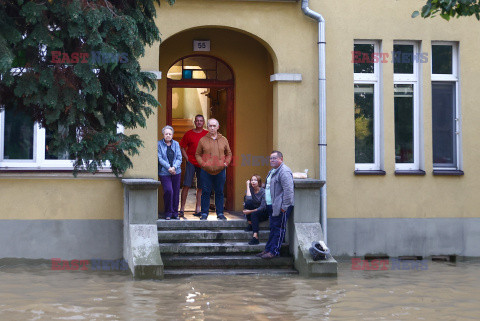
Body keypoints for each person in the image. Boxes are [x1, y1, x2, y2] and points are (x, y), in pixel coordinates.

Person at [256, 151, 294, 259]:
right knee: (273, 228)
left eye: (274, 158)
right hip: (272, 205)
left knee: (279, 229)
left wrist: (284, 207)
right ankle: (268, 249)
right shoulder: (273, 171)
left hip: (280, 207)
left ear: (281, 159)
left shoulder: (284, 171)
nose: (272, 160)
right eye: (270, 158)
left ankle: (274, 251)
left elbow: (289, 190)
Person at [195, 118, 232, 220]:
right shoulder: (203, 140)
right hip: (206, 171)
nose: (212, 128)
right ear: (207, 127)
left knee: (219, 192)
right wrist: (202, 164)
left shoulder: (224, 139)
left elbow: (229, 153)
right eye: (210, 126)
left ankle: (220, 213)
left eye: (214, 126)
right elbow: (197, 154)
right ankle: (204, 214)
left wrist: (226, 163)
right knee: (206, 192)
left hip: (220, 171)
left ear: (218, 127)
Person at [179, 115, 208, 217]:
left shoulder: (207, 134)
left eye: (201, 121)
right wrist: (187, 158)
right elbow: (182, 147)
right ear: (194, 122)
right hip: (191, 162)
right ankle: (182, 209)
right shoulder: (189, 134)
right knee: (186, 185)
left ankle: (198, 208)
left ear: (203, 122)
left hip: (202, 163)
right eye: (197, 121)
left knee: (200, 187)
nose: (199, 122)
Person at [158, 125, 182, 220]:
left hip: (176, 172)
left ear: (172, 135)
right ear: (163, 134)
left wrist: (174, 167)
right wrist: (169, 167)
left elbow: (179, 158)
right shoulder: (159, 144)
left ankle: (175, 213)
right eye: (166, 134)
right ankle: (168, 212)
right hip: (164, 172)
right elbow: (159, 158)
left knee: (176, 192)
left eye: (170, 134)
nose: (168, 135)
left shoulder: (176, 144)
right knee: (169, 191)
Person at [243, 175, 269, 245]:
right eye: (252, 180)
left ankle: (255, 237)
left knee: (254, 213)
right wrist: (248, 186)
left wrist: (250, 211)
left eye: (255, 180)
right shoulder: (250, 190)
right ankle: (251, 224)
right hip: (254, 211)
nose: (253, 182)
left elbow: (262, 207)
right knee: (248, 203)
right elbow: (248, 199)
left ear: (259, 182)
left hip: (263, 213)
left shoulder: (263, 192)